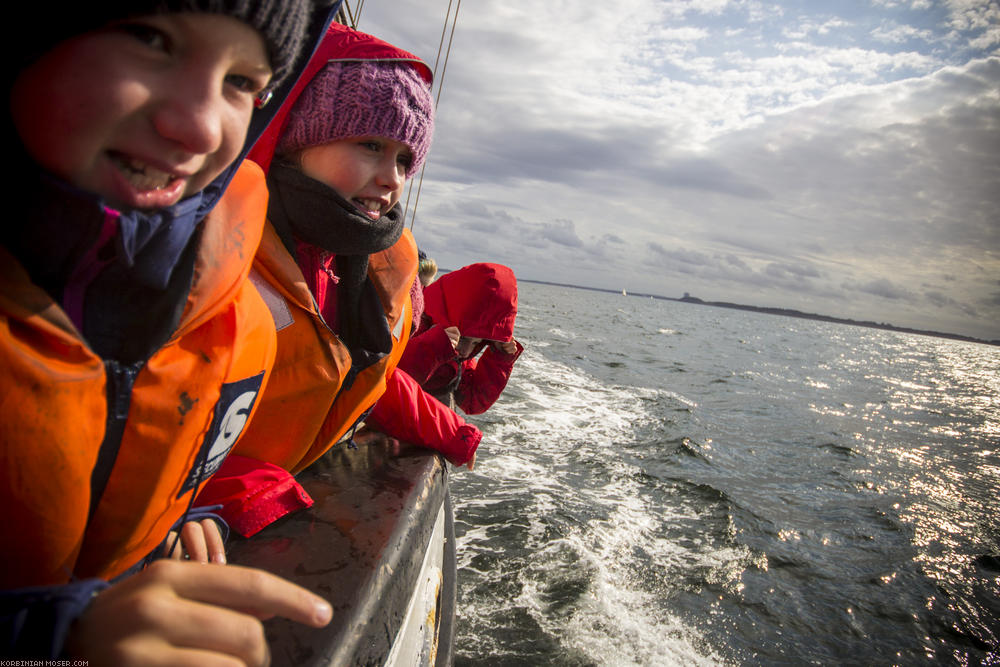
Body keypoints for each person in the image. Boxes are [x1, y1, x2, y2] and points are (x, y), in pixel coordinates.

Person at [1, 3, 341, 661]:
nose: (197, 126)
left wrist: (178, 511)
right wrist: (48, 637)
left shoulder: (222, 308)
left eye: (243, 83)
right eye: (148, 37)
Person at [195, 22, 482, 538]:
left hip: (287, 505)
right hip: (218, 514)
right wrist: (210, 498)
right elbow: (143, 415)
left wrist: (451, 432)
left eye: (404, 159)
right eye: (370, 144)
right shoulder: (211, 253)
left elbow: (364, 375)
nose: (393, 177)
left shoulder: (360, 266)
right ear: (294, 139)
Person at [383, 262, 524, 414]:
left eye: (477, 343)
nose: (466, 350)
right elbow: (386, 379)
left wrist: (498, 360)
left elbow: (473, 402)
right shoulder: (411, 322)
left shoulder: (460, 353)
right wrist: (433, 347)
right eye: (463, 339)